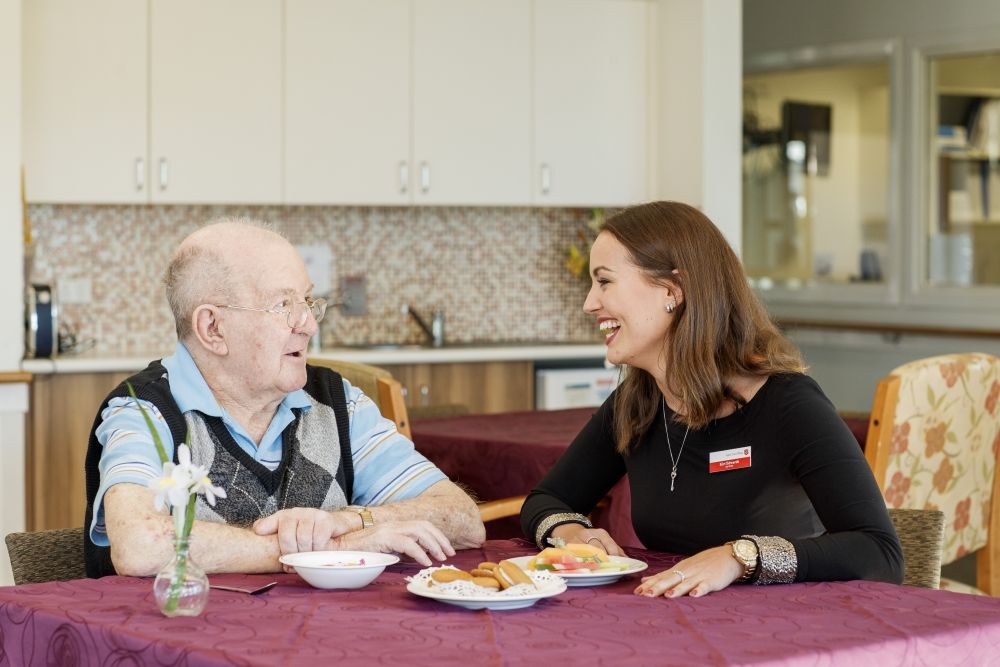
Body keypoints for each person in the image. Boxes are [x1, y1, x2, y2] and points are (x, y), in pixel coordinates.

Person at [520, 201, 902, 598]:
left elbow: (879, 552)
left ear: (672, 290)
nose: (589, 303)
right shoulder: (637, 403)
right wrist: (571, 533)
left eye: (604, 282)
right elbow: (548, 498)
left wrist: (740, 557)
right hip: (675, 618)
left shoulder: (788, 404)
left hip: (785, 624)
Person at [84, 218, 485, 577]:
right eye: (283, 305)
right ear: (213, 328)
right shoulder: (144, 410)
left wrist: (349, 521)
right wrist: (325, 552)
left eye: (306, 302)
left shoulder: (337, 403)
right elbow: (140, 544)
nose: (309, 325)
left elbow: (463, 519)